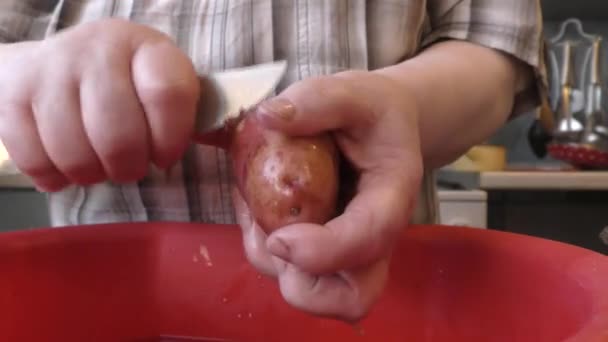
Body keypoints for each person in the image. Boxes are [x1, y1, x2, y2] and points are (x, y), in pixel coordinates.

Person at [0, 0, 547, 321]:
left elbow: (493, 50)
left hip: (379, 308)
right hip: (101, 309)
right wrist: (21, 73)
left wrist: (402, 106)